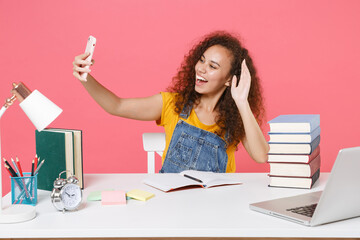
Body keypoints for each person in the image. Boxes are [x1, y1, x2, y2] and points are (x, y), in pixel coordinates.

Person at [72, 31, 269, 173]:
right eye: (201, 60)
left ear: (229, 79)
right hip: (172, 207)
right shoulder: (172, 104)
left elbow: (261, 157)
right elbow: (116, 106)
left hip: (216, 207)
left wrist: (242, 102)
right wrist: (85, 77)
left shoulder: (235, 119)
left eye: (212, 66)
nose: (201, 69)